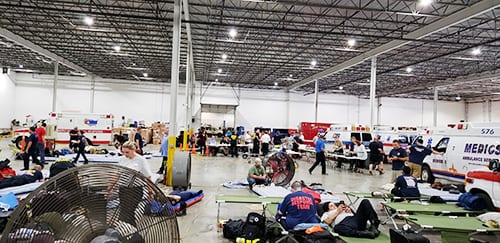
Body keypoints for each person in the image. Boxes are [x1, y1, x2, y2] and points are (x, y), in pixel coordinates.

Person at [114, 141, 153, 226]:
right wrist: (110, 188)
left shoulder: (141, 160)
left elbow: (148, 177)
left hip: (135, 191)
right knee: (124, 211)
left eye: (127, 152)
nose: (125, 154)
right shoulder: (122, 159)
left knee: (128, 211)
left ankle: (131, 231)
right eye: (123, 152)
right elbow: (117, 175)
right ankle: (128, 231)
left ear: (133, 150)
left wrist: (150, 191)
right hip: (123, 190)